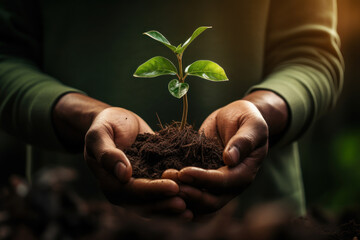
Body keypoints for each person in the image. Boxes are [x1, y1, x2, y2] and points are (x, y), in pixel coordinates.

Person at [0, 0, 343, 219]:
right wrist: (86, 120)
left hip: (257, 221)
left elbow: (313, 55)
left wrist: (260, 111)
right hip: (75, 216)